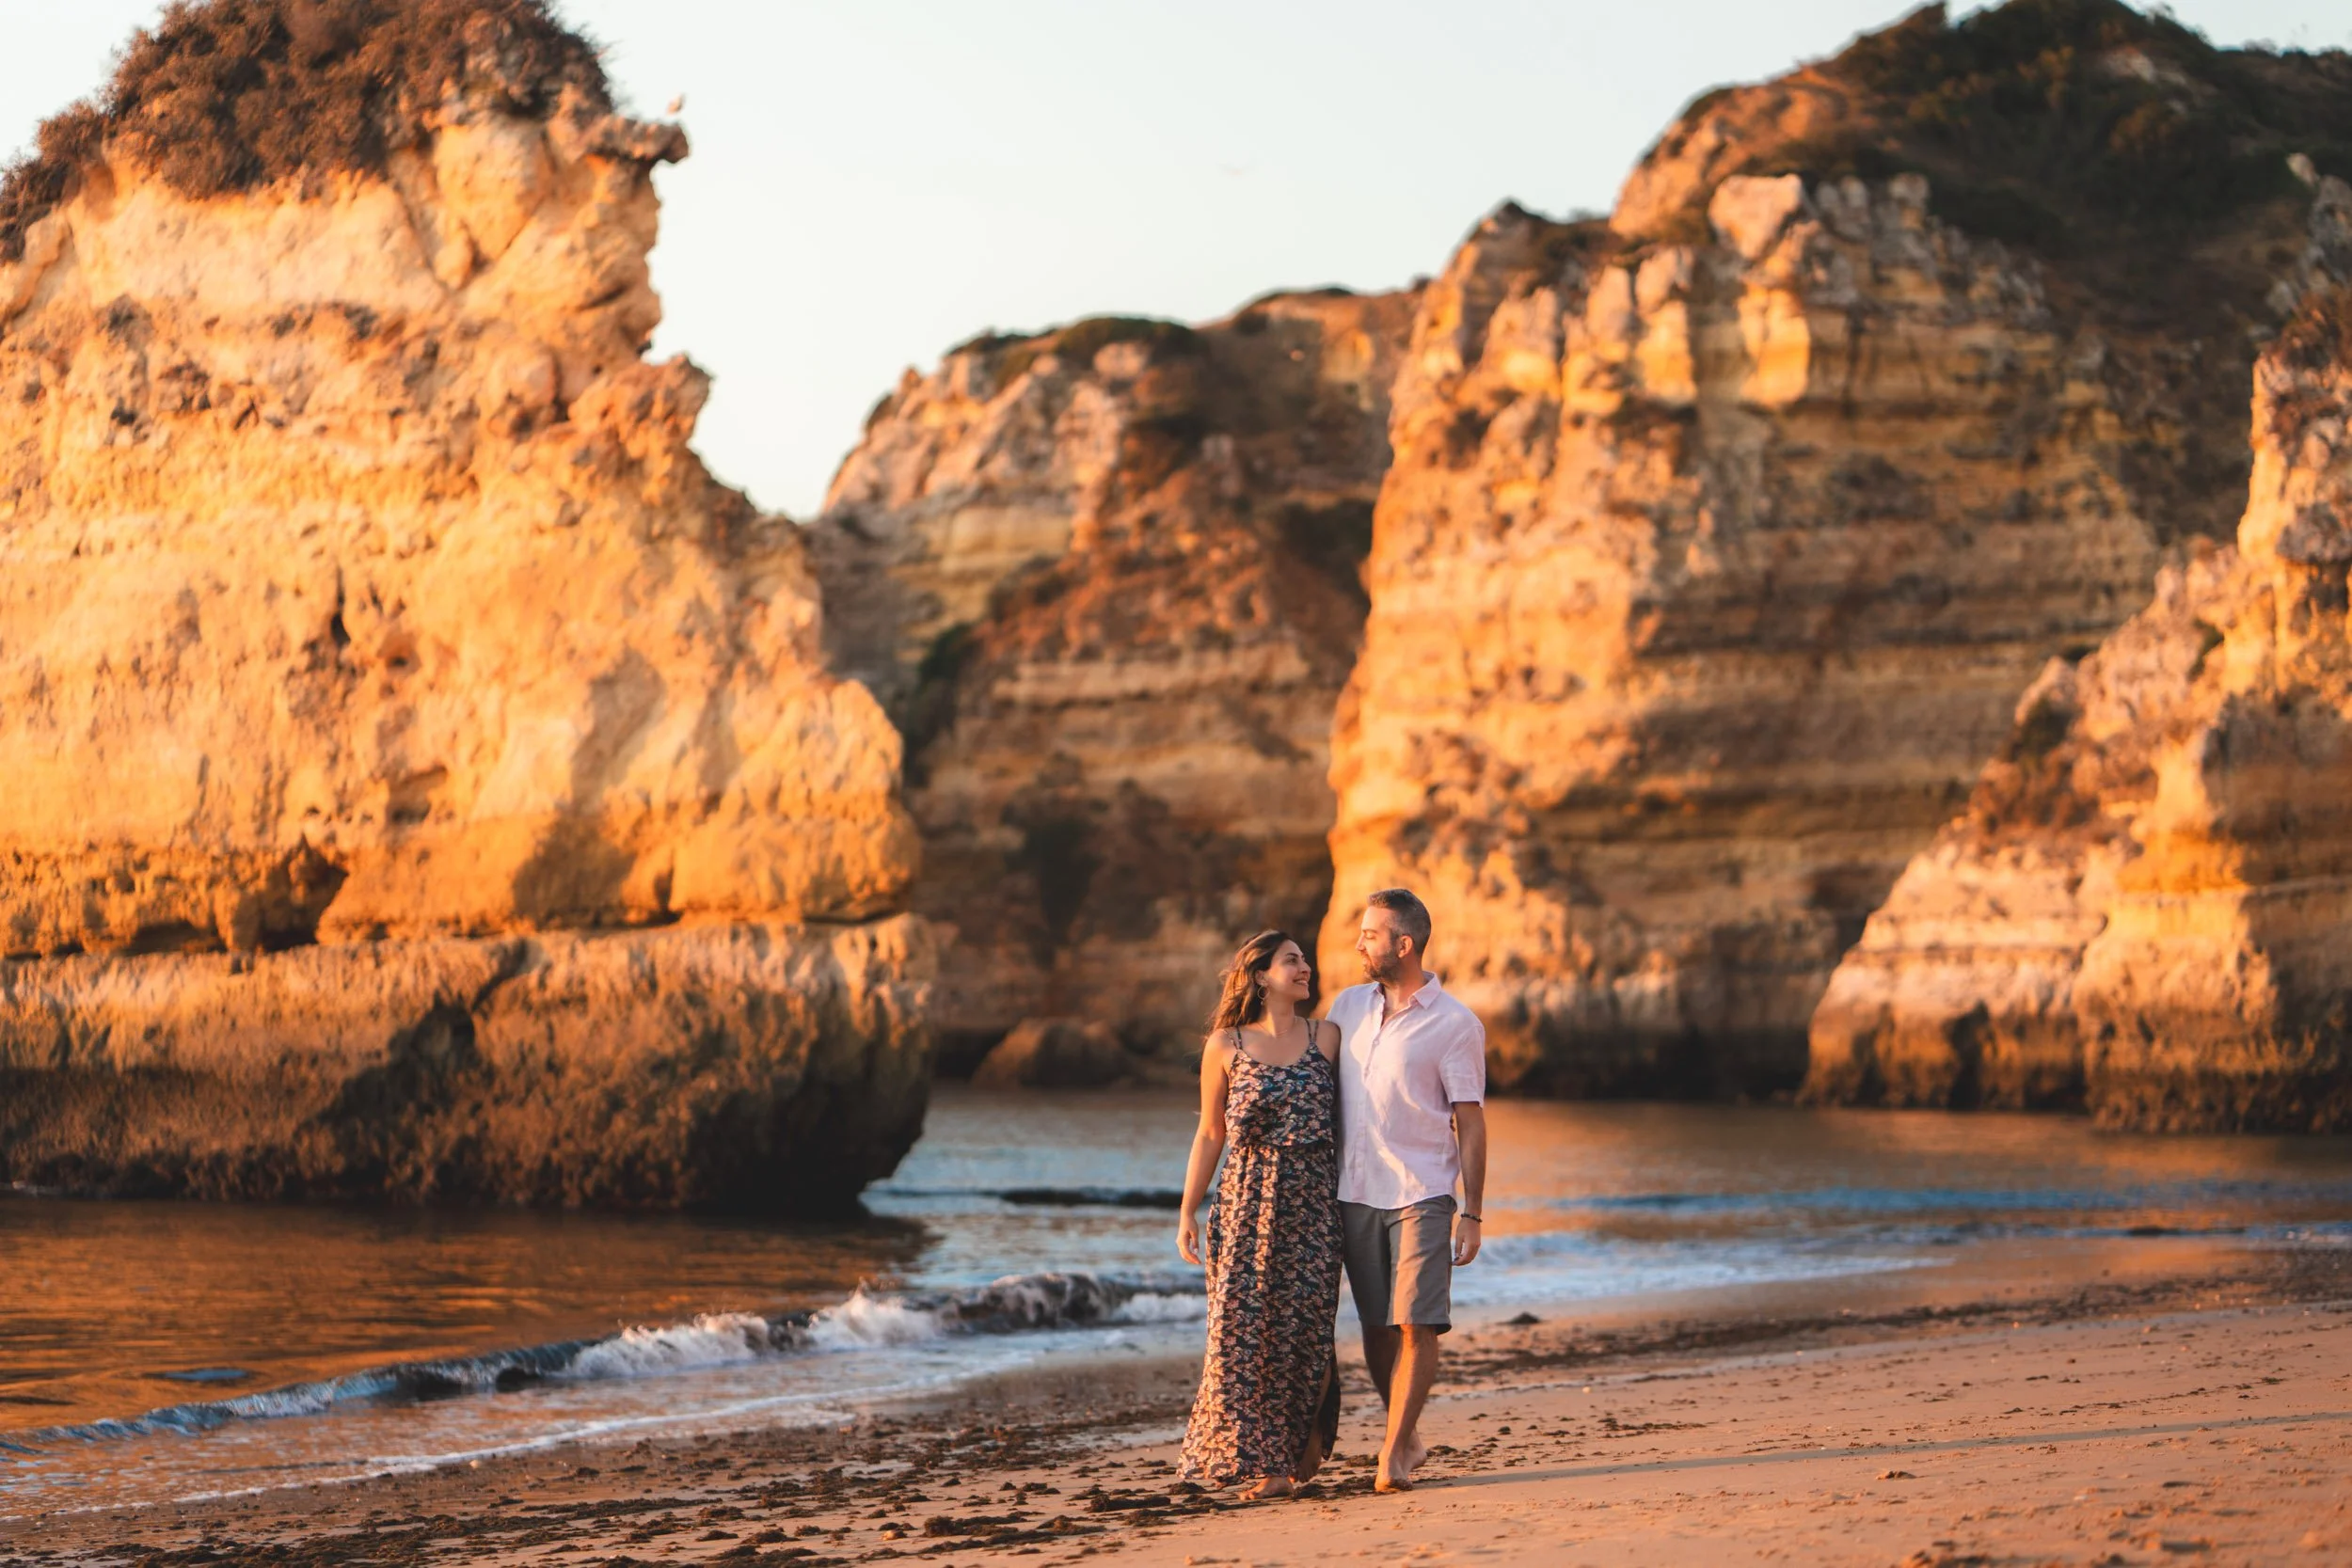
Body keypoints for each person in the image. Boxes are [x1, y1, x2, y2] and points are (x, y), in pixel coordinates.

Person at [1324, 887, 1487, 1493]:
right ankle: (1409, 1434)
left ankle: (1392, 1453)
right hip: (1355, 1189)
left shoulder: (1455, 1024)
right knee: (1376, 1325)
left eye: (1370, 934)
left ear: (1404, 944)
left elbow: (1470, 1122)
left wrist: (1472, 1210)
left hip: (1423, 1190)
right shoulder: (1346, 1007)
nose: (1360, 943)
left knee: (1417, 1321)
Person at [1175, 929, 1344, 1499]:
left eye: (1303, 959)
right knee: (1237, 1337)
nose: (1304, 967)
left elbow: (1360, 1121)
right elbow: (1209, 1133)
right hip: (1244, 1208)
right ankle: (1258, 1459)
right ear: (1260, 975)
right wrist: (1187, 1211)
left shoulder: (1328, 1038)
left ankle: (1293, 1455)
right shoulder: (1225, 1045)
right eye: (1291, 960)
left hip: (1313, 1209)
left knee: (1301, 1335)